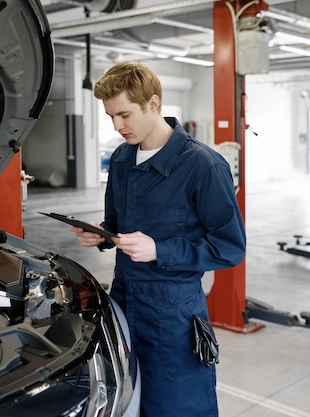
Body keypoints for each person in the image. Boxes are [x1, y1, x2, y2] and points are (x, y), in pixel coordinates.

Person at [70, 61, 246, 417]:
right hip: (122, 303)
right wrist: (101, 235)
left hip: (173, 315)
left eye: (124, 115)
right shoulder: (121, 159)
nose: (117, 127)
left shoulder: (203, 166)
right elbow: (118, 224)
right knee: (127, 401)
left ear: (153, 104)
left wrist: (159, 250)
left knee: (177, 407)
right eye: (110, 117)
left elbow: (230, 247)